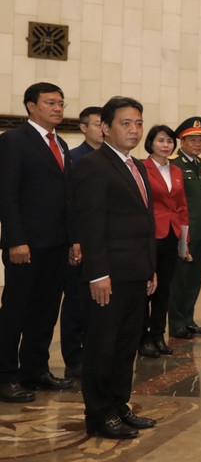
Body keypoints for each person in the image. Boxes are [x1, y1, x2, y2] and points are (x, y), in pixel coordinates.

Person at [73, 96, 158, 439]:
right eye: (126, 123)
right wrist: (97, 273)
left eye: (138, 123)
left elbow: (145, 221)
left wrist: (150, 268)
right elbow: (90, 225)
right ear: (105, 128)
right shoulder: (93, 165)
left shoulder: (136, 166)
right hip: (108, 276)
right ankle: (98, 415)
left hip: (136, 273)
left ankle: (119, 405)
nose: (134, 130)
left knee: (125, 346)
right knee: (102, 347)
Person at [0, 82, 77, 403]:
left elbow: (68, 198)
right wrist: (15, 240)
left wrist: (74, 240)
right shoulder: (13, 141)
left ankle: (36, 369)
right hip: (26, 245)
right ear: (31, 106)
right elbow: (7, 194)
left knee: (46, 310)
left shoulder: (60, 143)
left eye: (61, 103)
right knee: (15, 310)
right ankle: (5, 376)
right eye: (50, 103)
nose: (58, 108)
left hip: (57, 244)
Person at [59, 105, 104, 380]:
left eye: (104, 124)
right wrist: (75, 239)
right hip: (80, 242)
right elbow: (70, 204)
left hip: (104, 242)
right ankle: (73, 357)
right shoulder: (73, 158)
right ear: (83, 127)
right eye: (97, 124)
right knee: (76, 300)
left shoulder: (114, 159)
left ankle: (94, 352)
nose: (102, 129)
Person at [140, 125, 190, 357]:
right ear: (150, 143)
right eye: (161, 140)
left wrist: (184, 242)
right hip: (149, 236)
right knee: (146, 289)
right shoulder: (141, 168)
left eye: (169, 141)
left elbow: (181, 207)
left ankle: (158, 335)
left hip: (171, 236)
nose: (166, 145)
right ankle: (143, 338)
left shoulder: (177, 171)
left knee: (164, 289)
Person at [168, 117, 201, 339]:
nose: (197, 144)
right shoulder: (174, 164)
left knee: (194, 278)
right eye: (192, 139)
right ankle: (176, 323)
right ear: (182, 141)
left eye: (200, 140)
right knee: (180, 279)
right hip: (184, 233)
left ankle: (188, 319)